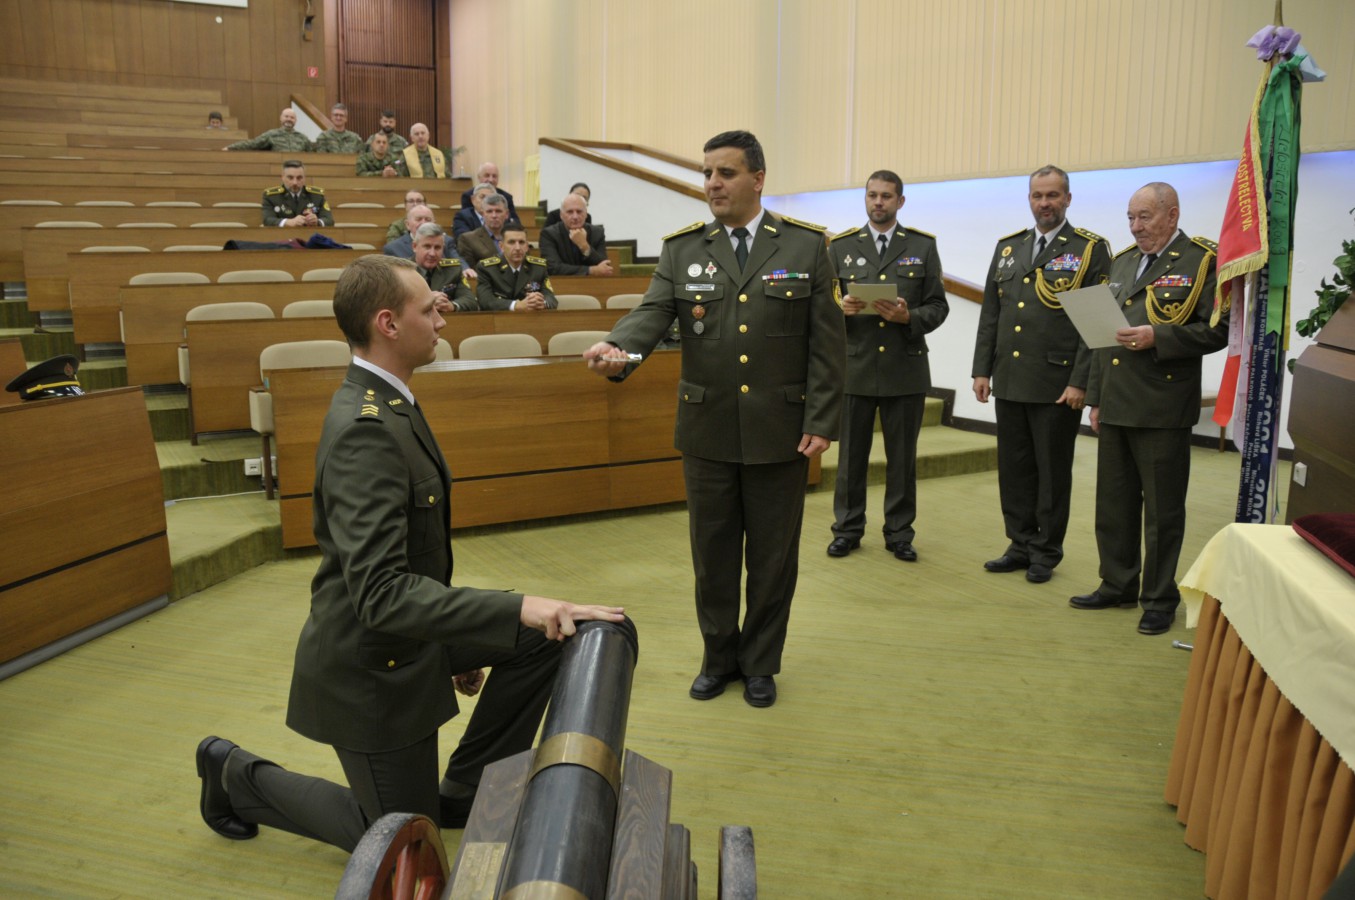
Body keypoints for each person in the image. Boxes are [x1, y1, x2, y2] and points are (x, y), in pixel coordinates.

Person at [194, 255, 623, 852]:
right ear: (389, 323)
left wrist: (462, 635)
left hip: (409, 634)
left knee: (547, 635)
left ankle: (468, 789)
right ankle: (235, 776)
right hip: (372, 664)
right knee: (404, 844)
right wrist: (518, 605)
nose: (442, 319)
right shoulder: (366, 428)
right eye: (429, 310)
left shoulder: (390, 400)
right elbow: (381, 595)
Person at [583, 130, 845, 709]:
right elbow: (652, 313)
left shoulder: (804, 247)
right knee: (714, 555)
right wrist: (618, 349)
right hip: (708, 431)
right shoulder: (683, 250)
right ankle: (718, 658)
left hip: (782, 430)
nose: (712, 184)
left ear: (758, 179)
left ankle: (761, 663)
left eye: (726, 172)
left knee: (773, 560)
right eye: (707, 173)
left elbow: (828, 345)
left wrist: (823, 419)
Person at [1070, 182, 1228, 635]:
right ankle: (1117, 583)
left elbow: (1217, 331)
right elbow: (1102, 337)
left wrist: (1159, 336)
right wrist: (1096, 397)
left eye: (1145, 217)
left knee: (1162, 510)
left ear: (1172, 215)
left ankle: (1159, 598)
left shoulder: (1202, 260)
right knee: (1113, 504)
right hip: (1116, 401)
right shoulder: (1122, 262)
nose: (1136, 227)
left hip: (1163, 405)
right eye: (1131, 218)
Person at [971, 165, 1112, 584]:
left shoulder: (1089, 249)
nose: (1044, 203)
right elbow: (992, 313)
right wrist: (981, 369)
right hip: (1010, 377)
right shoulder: (1009, 248)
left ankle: (1046, 551)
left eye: (1052, 195)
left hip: (1057, 382)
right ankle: (1019, 543)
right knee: (1014, 468)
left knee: (1051, 472)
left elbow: (1095, 325)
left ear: (1067, 198)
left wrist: (1080, 381)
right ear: (1029, 199)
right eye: (1038, 195)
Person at [825, 170, 948, 564]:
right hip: (856, 368)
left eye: (886, 196)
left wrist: (908, 317)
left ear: (900, 202)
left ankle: (899, 533)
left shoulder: (922, 246)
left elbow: (938, 306)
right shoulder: (840, 247)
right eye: (872, 195)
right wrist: (840, 310)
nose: (878, 202)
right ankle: (847, 530)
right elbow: (822, 306)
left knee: (902, 460)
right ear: (865, 199)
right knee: (850, 459)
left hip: (903, 369)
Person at [474, 223, 556, 311]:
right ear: (501, 246)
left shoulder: (538, 267)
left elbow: (551, 299)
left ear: (527, 246)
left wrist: (541, 303)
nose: (517, 248)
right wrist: (516, 305)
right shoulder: (487, 268)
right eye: (511, 242)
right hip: (500, 318)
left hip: (530, 318)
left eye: (521, 242)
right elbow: (485, 301)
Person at [539, 193, 612, 276]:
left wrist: (585, 247)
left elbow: (604, 266)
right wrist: (591, 270)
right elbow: (552, 268)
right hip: (561, 283)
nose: (575, 217)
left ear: (586, 214)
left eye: (579, 211)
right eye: (570, 212)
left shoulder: (597, 233)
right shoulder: (548, 234)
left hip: (593, 283)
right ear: (561, 215)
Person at [411, 223, 478, 313]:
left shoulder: (453, 270)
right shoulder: (402, 272)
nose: (432, 253)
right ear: (415, 247)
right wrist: (427, 301)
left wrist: (451, 305)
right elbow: (395, 304)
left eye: (437, 248)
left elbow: (470, 301)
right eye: (427, 247)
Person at [261, 160, 333, 227]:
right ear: (282, 177)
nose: (295, 182)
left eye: (299, 178)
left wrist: (317, 222)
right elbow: (267, 220)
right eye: (290, 178)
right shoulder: (271, 196)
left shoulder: (317, 196)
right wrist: (288, 222)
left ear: (304, 178)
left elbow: (329, 220)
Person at [457, 194, 510, 270]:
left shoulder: (516, 237)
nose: (494, 216)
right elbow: (470, 271)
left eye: (498, 211)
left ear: (506, 214)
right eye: (489, 211)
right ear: (482, 214)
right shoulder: (468, 239)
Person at [382, 205, 454, 259]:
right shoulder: (393, 248)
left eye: (428, 219)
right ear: (407, 224)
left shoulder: (447, 241)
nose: (423, 223)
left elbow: (457, 264)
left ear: (434, 223)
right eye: (418, 219)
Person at [226, 108, 312, 152]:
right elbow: (253, 143)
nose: (289, 119)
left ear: (296, 121)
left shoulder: (302, 137)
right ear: (281, 118)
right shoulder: (272, 134)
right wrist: (231, 147)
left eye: (292, 117)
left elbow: (313, 153)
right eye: (286, 116)